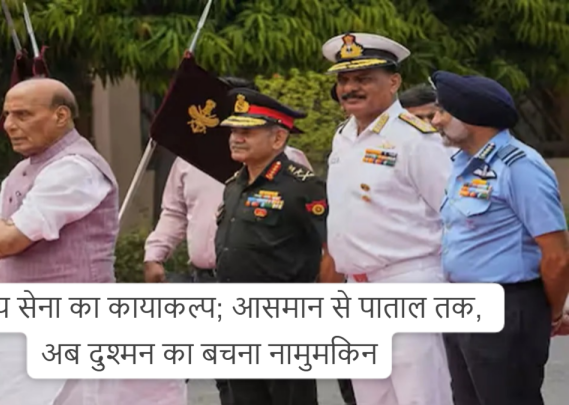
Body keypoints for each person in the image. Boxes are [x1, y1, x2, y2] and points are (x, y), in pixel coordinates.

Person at [0, 77, 186, 405]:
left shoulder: (77, 168)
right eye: (7, 114)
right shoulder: (21, 171)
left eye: (23, 115)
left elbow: (6, 242)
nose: (9, 125)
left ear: (61, 116)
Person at [143, 77, 312, 405]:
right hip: (208, 283)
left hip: (270, 289)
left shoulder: (290, 163)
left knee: (281, 385)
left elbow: (315, 230)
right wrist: (155, 254)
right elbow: (174, 213)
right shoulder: (189, 160)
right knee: (232, 385)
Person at [320, 32, 453, 405]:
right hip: (357, 288)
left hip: (409, 283)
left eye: (364, 79)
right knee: (372, 396)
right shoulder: (344, 136)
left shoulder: (416, 139)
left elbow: (453, 213)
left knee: (421, 396)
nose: (350, 88)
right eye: (344, 80)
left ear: (393, 82)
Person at [430, 70, 569, 405]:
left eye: (444, 112)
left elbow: (556, 255)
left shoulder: (520, 167)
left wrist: (550, 313)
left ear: (472, 117)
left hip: (507, 306)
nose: (435, 121)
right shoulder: (463, 164)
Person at [214, 87, 329, 405]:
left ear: (278, 138)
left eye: (247, 132)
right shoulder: (234, 185)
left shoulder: (302, 186)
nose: (236, 138)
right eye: (234, 131)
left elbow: (332, 249)